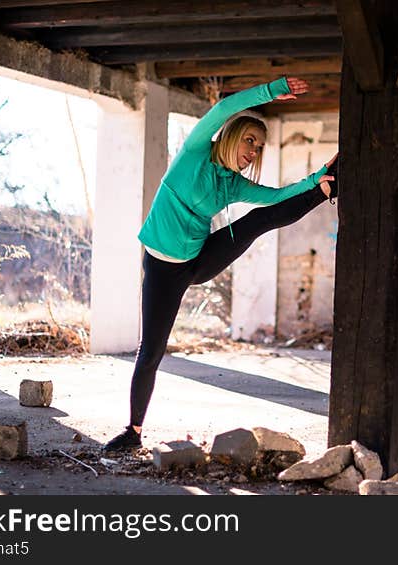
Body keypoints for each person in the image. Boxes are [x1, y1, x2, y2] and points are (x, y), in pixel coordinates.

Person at [103, 76, 338, 452]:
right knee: (151, 352)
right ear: (232, 136)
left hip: (196, 262)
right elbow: (223, 108)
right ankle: (132, 431)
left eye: (259, 147)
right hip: (162, 270)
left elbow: (276, 196)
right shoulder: (195, 151)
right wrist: (272, 90)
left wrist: (314, 180)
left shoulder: (233, 185)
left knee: (258, 221)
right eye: (250, 141)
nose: (254, 151)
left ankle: (330, 186)